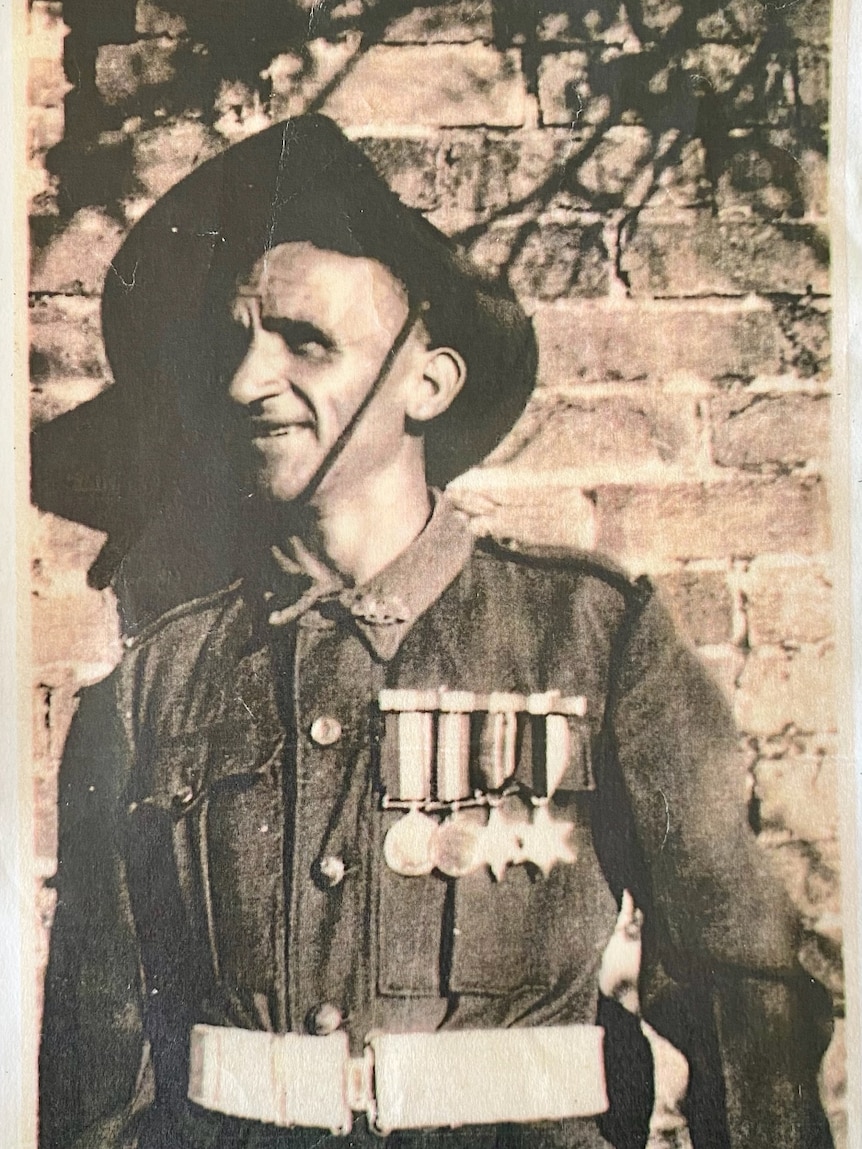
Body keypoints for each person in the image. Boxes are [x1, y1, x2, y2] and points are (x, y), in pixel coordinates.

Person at [38, 114, 834, 1149]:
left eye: (305, 342)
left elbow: (744, 1007)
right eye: (236, 345)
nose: (245, 382)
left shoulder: (590, 640)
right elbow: (98, 1077)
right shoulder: (153, 689)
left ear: (428, 383)